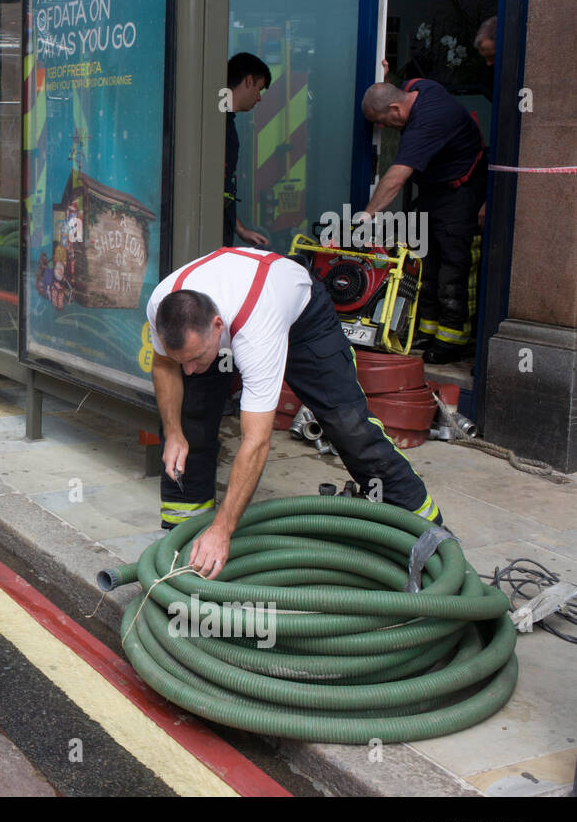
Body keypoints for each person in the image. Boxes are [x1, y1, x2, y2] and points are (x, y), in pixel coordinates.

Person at [147, 246, 443, 578]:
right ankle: (183, 529)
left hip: (302, 317)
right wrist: (174, 433)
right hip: (232, 319)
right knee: (191, 414)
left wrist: (223, 530)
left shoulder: (256, 332)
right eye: (182, 359)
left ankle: (424, 523)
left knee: (348, 425)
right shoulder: (162, 304)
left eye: (196, 357)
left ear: (218, 326)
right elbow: (164, 365)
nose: (187, 369)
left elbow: (256, 442)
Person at [361, 79, 486, 363]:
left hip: (460, 196)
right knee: (425, 265)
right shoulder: (418, 89)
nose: (380, 128)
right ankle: (427, 330)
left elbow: (397, 177)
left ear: (395, 109)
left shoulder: (429, 121)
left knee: (455, 269)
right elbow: (400, 86)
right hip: (434, 192)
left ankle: (453, 339)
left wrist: (366, 215)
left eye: (381, 121)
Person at [223, 54, 272, 248]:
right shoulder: (216, 125)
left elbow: (222, 188)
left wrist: (240, 230)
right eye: (258, 89)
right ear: (248, 80)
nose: (259, 98)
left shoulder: (225, 121)